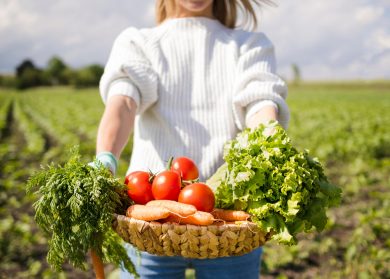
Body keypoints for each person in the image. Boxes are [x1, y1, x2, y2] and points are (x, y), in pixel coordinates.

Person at [94, 0, 289, 278]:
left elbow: (259, 103)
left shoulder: (250, 45)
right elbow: (123, 103)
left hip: (227, 222)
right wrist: (106, 157)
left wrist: (270, 141)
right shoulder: (139, 43)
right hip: (151, 220)